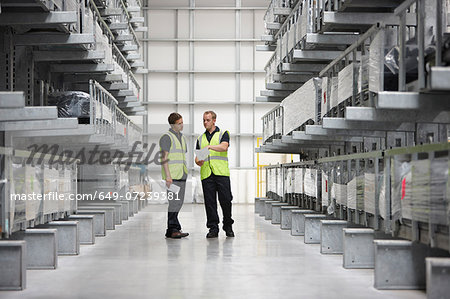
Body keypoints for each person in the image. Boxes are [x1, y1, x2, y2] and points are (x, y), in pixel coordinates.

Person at [195, 111, 234, 238]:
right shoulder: (200, 139)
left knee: (226, 200)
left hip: (221, 173)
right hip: (207, 174)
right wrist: (198, 161)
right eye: (204, 120)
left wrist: (210, 147)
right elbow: (197, 158)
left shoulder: (223, 133)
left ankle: (228, 226)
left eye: (208, 120)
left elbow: (224, 147)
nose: (205, 122)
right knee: (210, 203)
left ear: (214, 120)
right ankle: (213, 228)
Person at [160, 112, 189, 239]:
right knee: (174, 202)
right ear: (172, 124)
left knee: (179, 202)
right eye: (179, 123)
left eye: (182, 122)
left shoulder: (182, 137)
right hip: (172, 176)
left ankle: (172, 229)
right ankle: (173, 228)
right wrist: (168, 177)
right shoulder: (166, 137)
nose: (182, 125)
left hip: (181, 174)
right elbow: (164, 158)